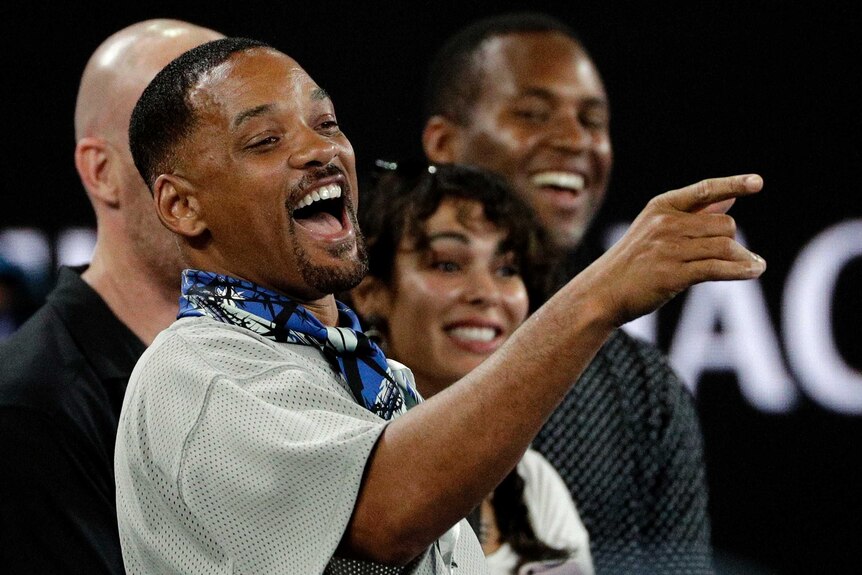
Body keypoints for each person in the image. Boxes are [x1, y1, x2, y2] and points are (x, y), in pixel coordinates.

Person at [114, 36, 765, 574]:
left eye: (327, 123)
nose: (320, 151)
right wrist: (598, 296)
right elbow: (388, 513)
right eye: (263, 142)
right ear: (181, 204)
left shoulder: (373, 382)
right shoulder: (197, 377)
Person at [422, 12, 716, 573]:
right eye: (532, 114)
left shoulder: (646, 395)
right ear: (445, 142)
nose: (574, 141)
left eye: (592, 120)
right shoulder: (359, 358)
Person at [0, 20, 223, 574]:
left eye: (242, 139)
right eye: (186, 137)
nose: (228, 172)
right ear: (102, 172)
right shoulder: (29, 410)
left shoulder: (290, 362)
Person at [350, 162, 593, 575]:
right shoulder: (344, 460)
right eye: (448, 264)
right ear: (371, 293)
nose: (486, 294)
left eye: (507, 270)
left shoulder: (536, 483)